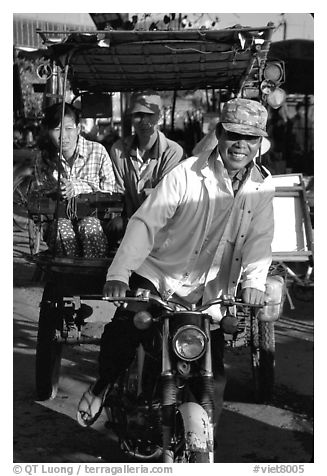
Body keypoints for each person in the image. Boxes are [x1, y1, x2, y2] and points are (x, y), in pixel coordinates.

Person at [77, 98, 279, 437]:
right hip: (161, 276)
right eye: (233, 135)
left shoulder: (262, 185)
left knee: (212, 380)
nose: (241, 145)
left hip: (210, 294)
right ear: (219, 134)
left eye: (251, 137)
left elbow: (260, 238)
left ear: (260, 142)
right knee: (125, 334)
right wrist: (118, 275)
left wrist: (254, 281)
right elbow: (145, 223)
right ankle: (102, 386)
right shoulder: (186, 174)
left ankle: (201, 443)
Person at [34, 102, 117, 258]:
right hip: (57, 222)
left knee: (89, 226)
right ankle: (68, 275)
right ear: (48, 131)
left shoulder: (98, 152)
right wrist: (54, 190)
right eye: (57, 129)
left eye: (69, 128)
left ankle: (92, 274)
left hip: (97, 222)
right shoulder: (43, 158)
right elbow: (41, 195)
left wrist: (77, 187)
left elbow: (110, 191)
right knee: (61, 227)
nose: (63, 136)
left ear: (78, 129)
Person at [106, 91, 185, 245]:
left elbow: (168, 197)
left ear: (160, 117)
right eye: (138, 115)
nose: (144, 121)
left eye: (150, 115)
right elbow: (119, 192)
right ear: (131, 118)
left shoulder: (173, 151)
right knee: (114, 227)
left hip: (164, 224)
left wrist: (151, 194)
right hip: (131, 220)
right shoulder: (119, 149)